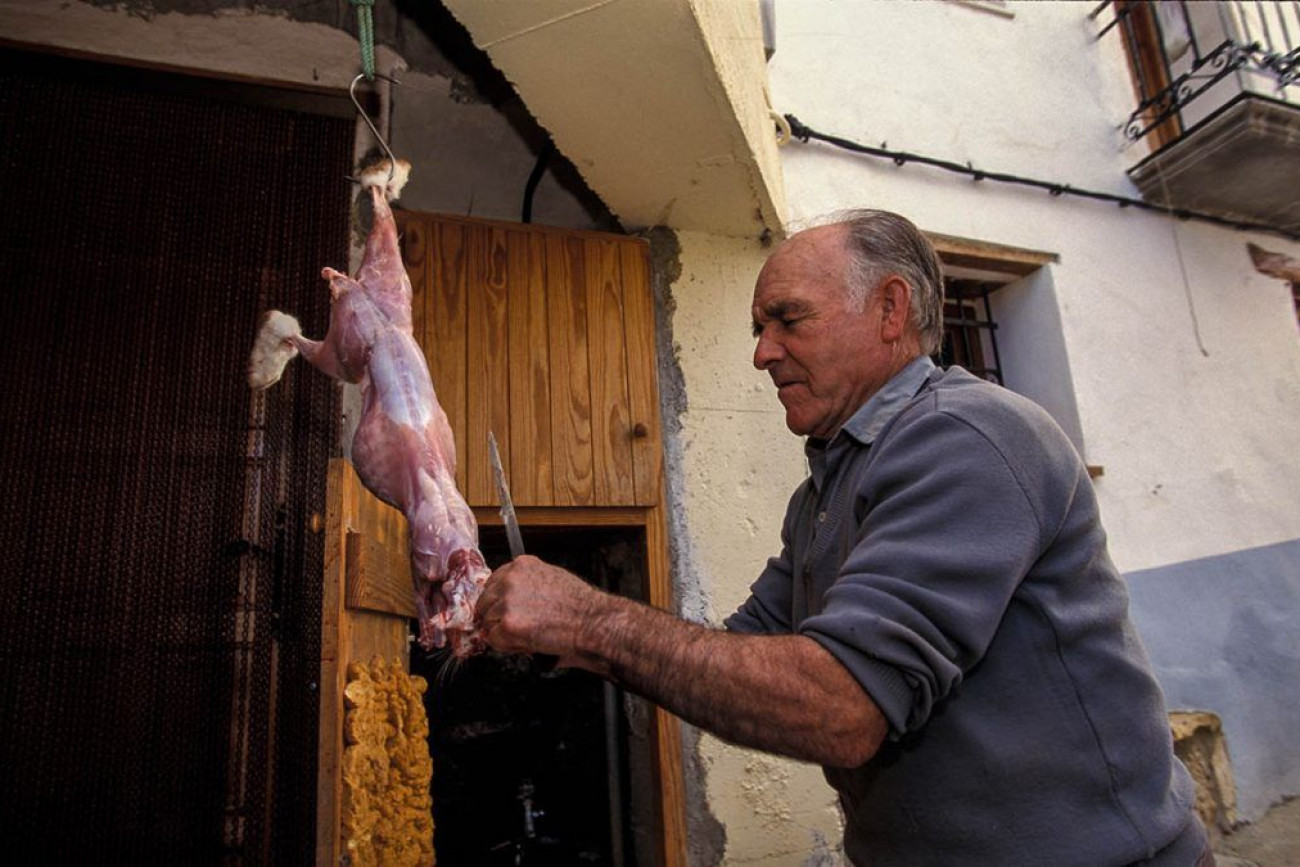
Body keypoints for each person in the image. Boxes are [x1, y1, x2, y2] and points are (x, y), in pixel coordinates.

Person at [475, 210, 1210, 865]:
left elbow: (841, 705)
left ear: (891, 308)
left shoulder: (967, 436)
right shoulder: (826, 487)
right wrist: (554, 634)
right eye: (759, 329)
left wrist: (589, 618)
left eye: (788, 319)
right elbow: (732, 655)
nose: (762, 353)